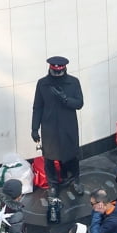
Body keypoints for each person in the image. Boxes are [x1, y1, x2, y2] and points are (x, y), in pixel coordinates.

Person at [31, 56, 83, 193]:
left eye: (60, 72)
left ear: (64, 69)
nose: (58, 75)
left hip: (68, 126)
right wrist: (34, 128)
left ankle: (74, 181)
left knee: (72, 155)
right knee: (49, 157)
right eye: (55, 72)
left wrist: (65, 99)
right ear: (50, 69)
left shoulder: (73, 82)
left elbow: (79, 103)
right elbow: (38, 107)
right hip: (49, 127)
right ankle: (53, 185)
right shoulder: (42, 84)